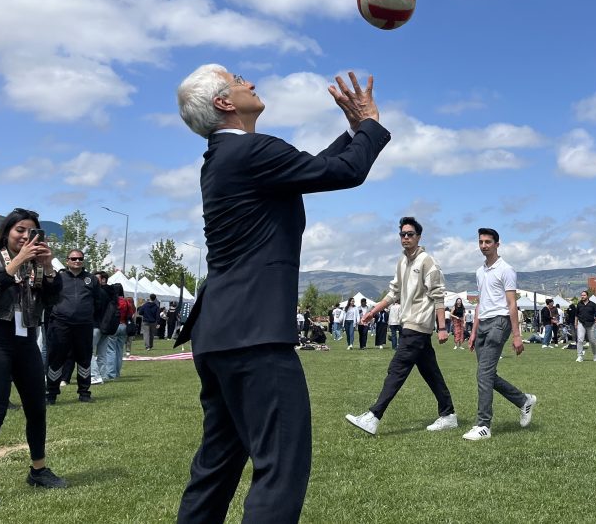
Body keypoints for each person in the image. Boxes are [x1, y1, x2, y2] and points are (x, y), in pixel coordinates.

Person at [173, 65, 389, 524]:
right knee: (279, 468)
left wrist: (353, 131)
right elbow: (344, 172)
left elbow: (311, 167)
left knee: (216, 466)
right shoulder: (252, 152)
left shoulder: (228, 156)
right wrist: (369, 125)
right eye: (237, 80)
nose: (249, 82)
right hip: (254, 336)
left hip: (219, 334)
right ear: (225, 103)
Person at [0, 208, 68, 505]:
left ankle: (38, 470)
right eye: (20, 230)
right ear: (8, 231)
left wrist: (48, 267)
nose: (26, 236)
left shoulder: (37, 264)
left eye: (32, 232)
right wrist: (16, 263)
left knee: (37, 408)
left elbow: (52, 300)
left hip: (25, 339)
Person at [345, 217, 456, 435]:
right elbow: (393, 293)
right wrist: (372, 312)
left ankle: (374, 416)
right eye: (402, 234)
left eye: (410, 234)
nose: (405, 238)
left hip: (417, 326)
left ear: (419, 237)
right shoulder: (402, 261)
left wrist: (442, 327)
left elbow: (438, 296)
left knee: (396, 369)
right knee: (430, 372)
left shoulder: (427, 261)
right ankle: (448, 414)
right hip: (409, 325)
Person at [464, 228, 536, 441]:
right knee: (487, 375)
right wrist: (473, 332)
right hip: (483, 324)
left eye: (488, 241)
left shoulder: (506, 270)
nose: (484, 245)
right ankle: (524, 401)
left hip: (499, 322)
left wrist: (516, 335)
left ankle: (483, 425)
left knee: (483, 374)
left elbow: (512, 304)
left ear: (497, 244)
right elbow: (479, 304)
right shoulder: (479, 272)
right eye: (481, 242)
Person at [46, 249, 107, 404]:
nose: (77, 261)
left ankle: (84, 393)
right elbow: (49, 296)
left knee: (84, 359)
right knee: (56, 359)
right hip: (61, 324)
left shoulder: (91, 279)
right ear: (67, 261)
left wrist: (88, 315)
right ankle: (51, 393)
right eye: (73, 258)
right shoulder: (59, 277)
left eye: (80, 258)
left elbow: (98, 301)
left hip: (84, 325)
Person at [575, 290, 596, 363]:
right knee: (580, 339)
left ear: (587, 296)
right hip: (581, 323)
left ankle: (595, 354)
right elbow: (576, 315)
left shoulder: (593, 304)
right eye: (581, 295)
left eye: (584, 295)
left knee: (592, 341)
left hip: (591, 324)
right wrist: (575, 324)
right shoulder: (579, 304)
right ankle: (579, 356)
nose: (582, 296)